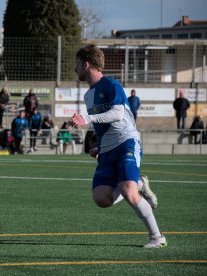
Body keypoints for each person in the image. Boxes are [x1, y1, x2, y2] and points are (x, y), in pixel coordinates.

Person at [69, 44, 166, 248]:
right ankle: (139, 184)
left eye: (77, 63)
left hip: (126, 142)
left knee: (128, 192)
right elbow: (102, 124)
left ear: (86, 64)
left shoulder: (112, 85)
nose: (74, 68)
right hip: (108, 149)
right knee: (101, 198)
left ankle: (157, 237)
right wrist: (101, 147)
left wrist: (85, 118)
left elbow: (117, 114)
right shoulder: (88, 96)